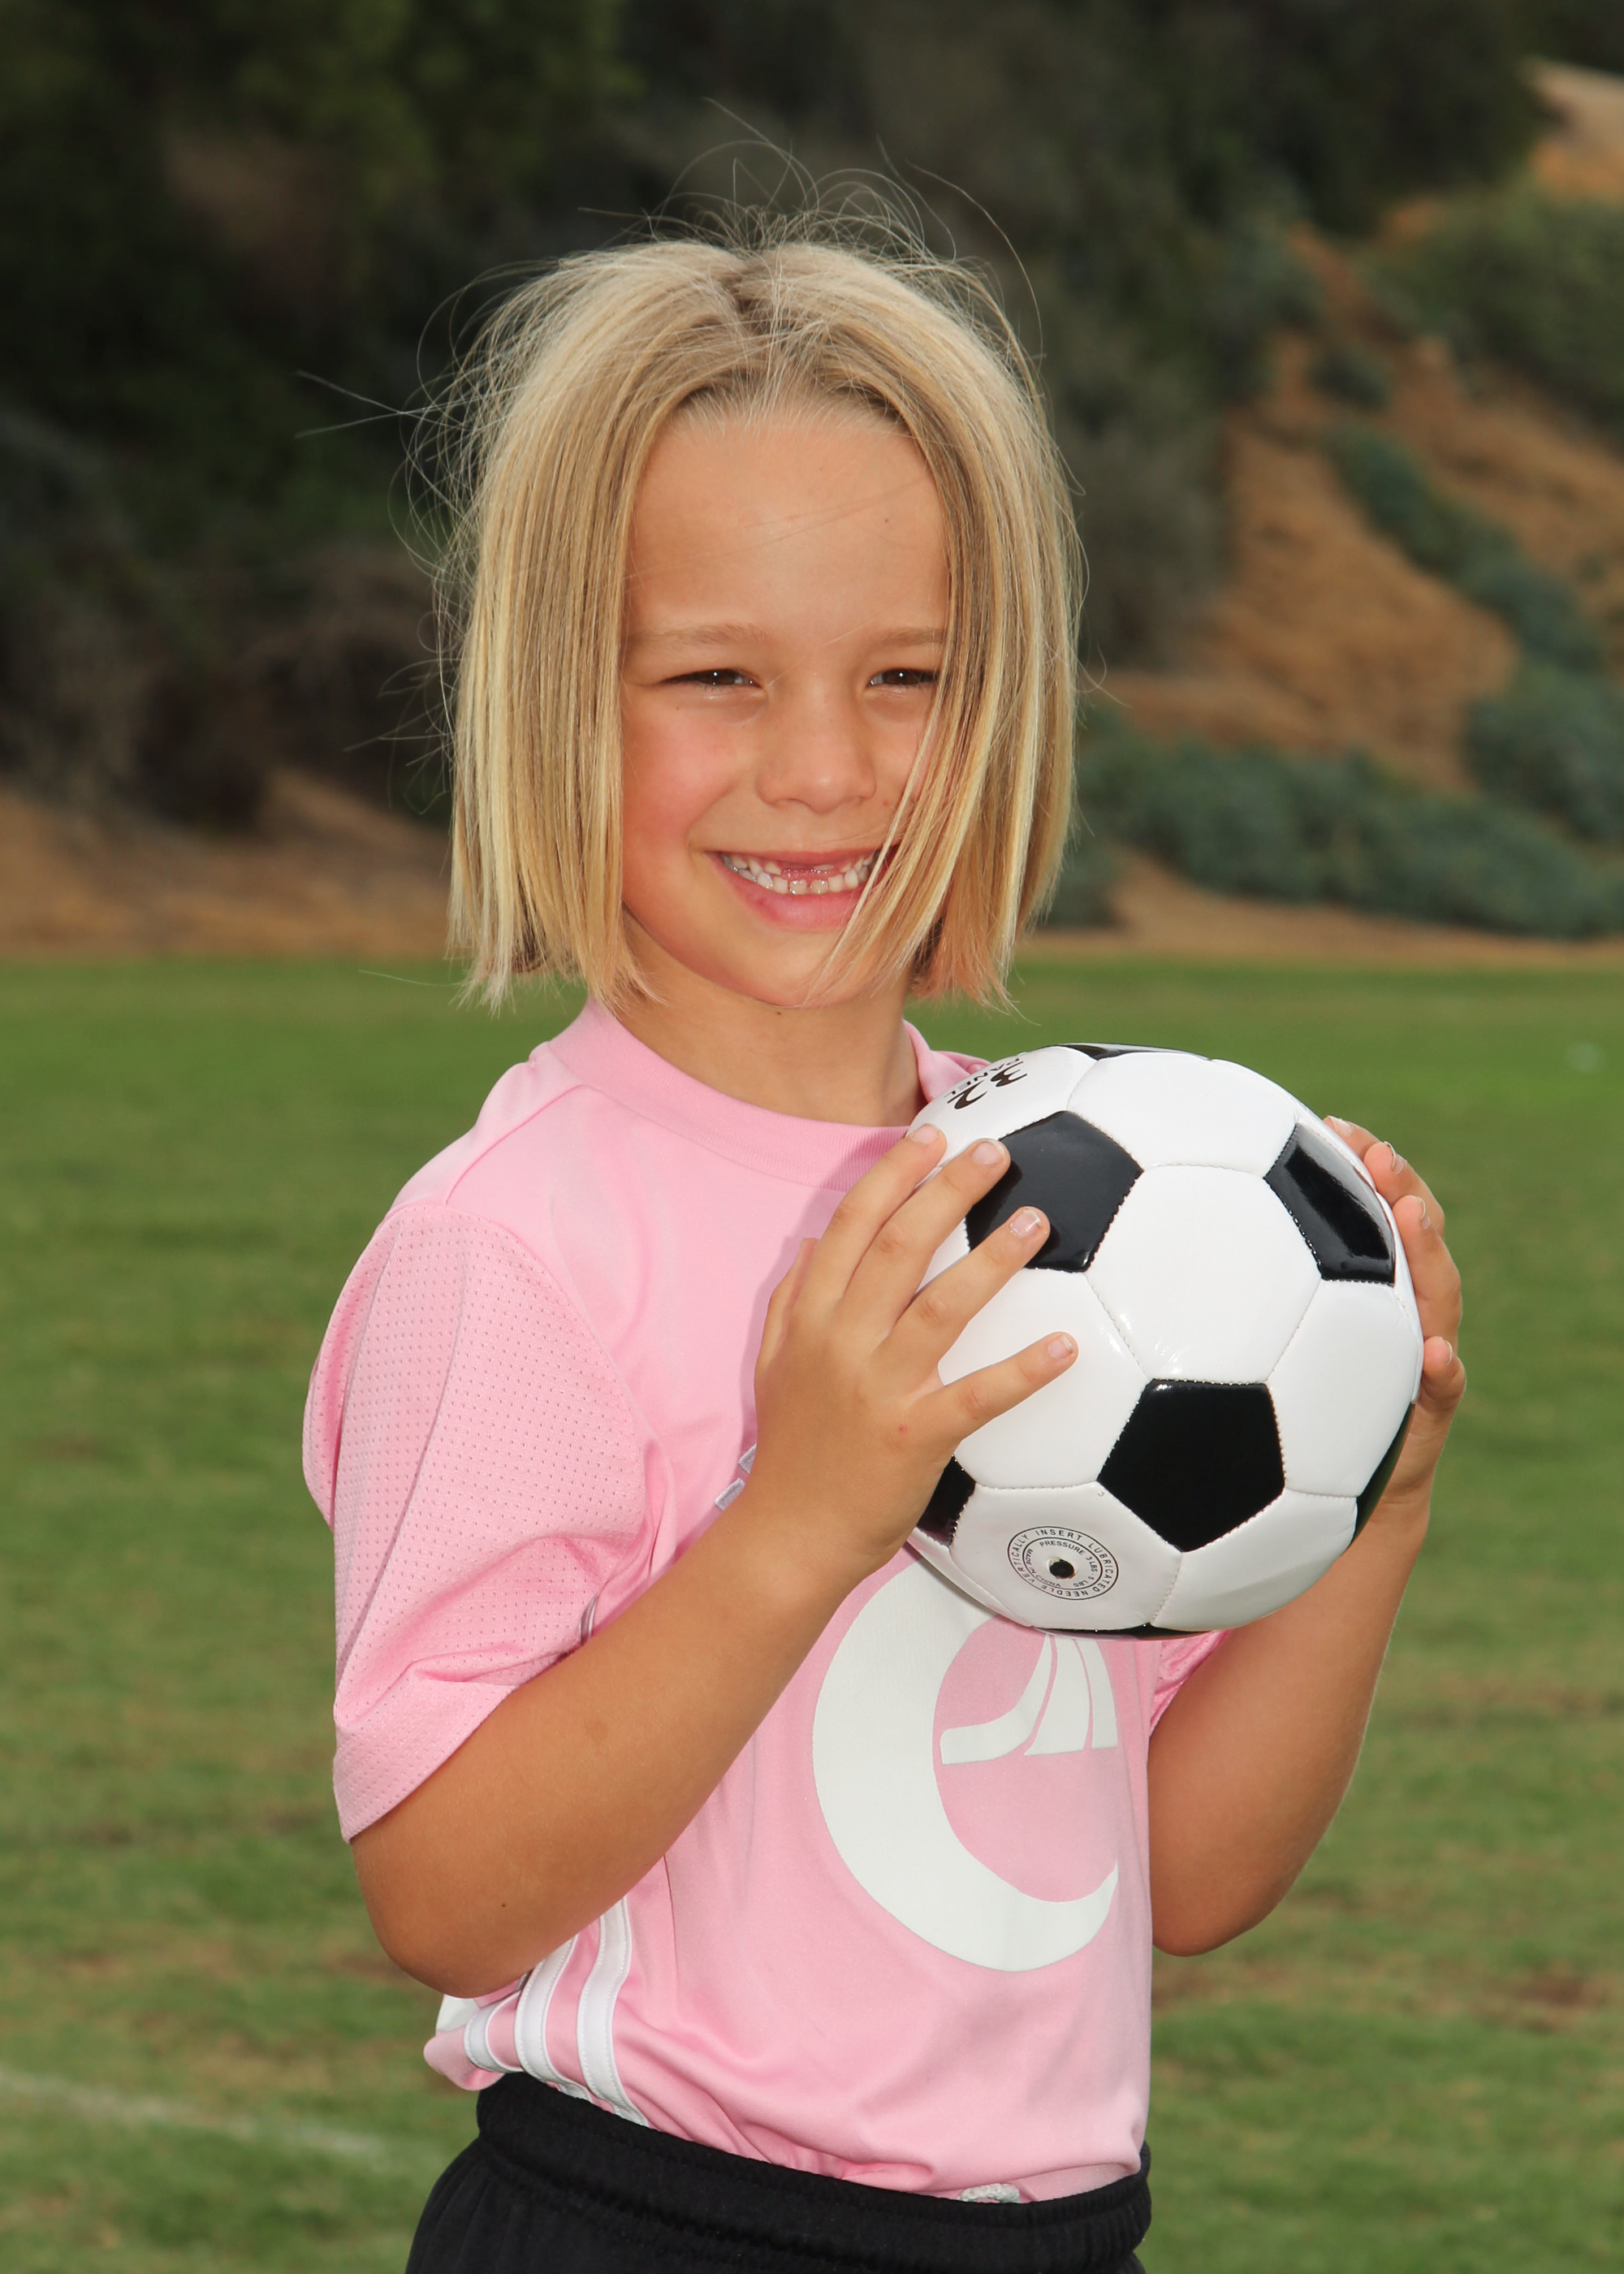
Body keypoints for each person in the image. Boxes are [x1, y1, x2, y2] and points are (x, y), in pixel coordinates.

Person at [303, 221, 1466, 2274]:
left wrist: (1371, 1487)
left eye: (907, 676)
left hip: (1052, 2232)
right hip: (656, 2223)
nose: (826, 768)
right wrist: (800, 1517)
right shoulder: (514, 1246)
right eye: (717, 676)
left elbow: (1184, 1872)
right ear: (558, 694)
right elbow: (447, 1893)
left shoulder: (1084, 1215)